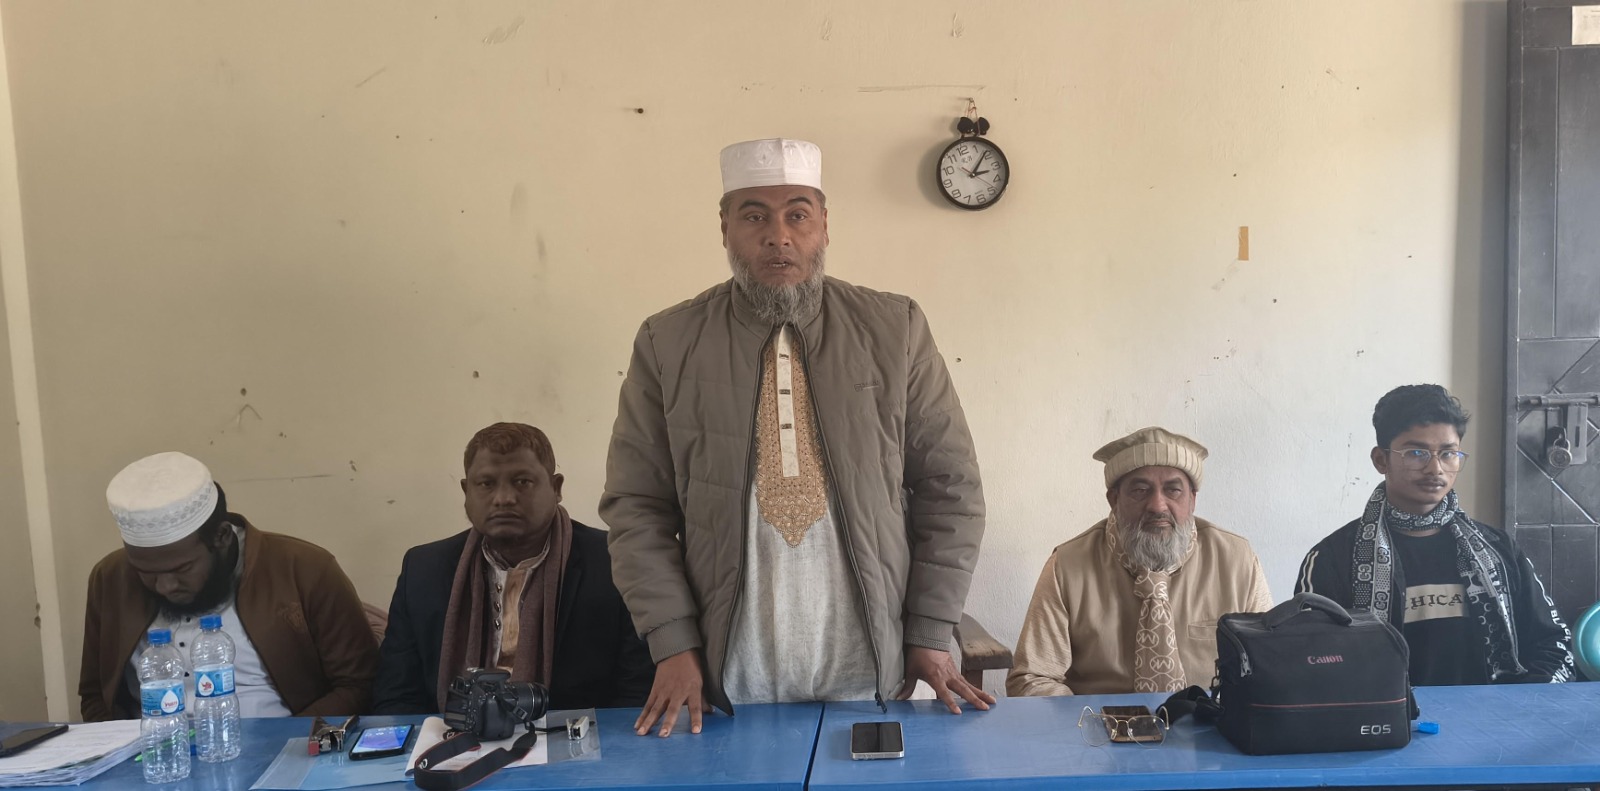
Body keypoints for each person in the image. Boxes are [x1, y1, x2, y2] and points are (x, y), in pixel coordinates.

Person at [602, 137, 991, 737]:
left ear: (824, 226)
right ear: (725, 229)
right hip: (728, 679)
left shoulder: (895, 329)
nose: (777, 236)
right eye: (754, 216)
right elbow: (637, 506)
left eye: (798, 215)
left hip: (871, 671)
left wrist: (930, 631)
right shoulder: (668, 342)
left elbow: (951, 488)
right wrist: (672, 642)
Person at [1297, 384, 1575, 684]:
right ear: (1381, 460)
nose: (1435, 469)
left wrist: (1522, 703)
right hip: (1381, 715)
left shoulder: (1499, 550)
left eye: (1448, 453)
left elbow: (1554, 644)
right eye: (1416, 453)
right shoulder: (1332, 558)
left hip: (1495, 714)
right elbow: (1309, 660)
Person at [372, 422, 654, 713]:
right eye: (486, 484)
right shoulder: (423, 571)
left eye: (522, 482)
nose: (503, 498)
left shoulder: (614, 562)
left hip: (579, 736)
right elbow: (395, 696)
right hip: (451, 736)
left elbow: (638, 693)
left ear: (556, 488)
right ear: (466, 491)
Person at [80, 451, 377, 720]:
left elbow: (358, 684)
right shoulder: (110, 577)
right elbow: (95, 695)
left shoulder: (303, 567)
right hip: (156, 751)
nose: (165, 586)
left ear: (221, 537)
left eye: (182, 569)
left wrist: (290, 743)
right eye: (146, 572)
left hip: (284, 747)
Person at [1007, 427, 1273, 696]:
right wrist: (1086, 718)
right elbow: (1032, 679)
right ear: (1114, 500)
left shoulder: (1237, 562)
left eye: (1173, 490)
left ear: (1192, 499)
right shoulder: (1067, 566)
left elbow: (1268, 668)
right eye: (1140, 490)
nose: (1157, 506)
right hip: (1099, 720)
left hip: (1210, 720)